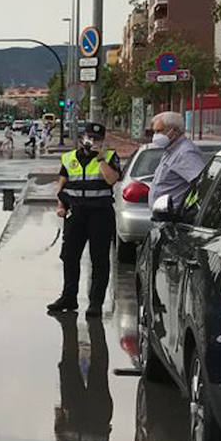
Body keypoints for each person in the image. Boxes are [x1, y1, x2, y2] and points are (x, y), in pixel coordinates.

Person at [49, 123, 122, 316]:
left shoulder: (109, 156)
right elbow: (62, 185)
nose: (92, 141)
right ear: (82, 138)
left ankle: (95, 302)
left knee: (99, 259)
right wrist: (61, 206)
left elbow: (111, 180)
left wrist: (100, 159)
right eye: (89, 137)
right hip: (75, 214)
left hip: (100, 214)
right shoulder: (69, 157)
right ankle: (69, 297)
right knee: (69, 256)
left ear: (103, 140)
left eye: (97, 139)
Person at [147, 111, 208, 210]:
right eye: (154, 132)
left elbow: (202, 184)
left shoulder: (185, 153)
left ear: (175, 130)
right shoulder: (170, 150)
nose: (155, 136)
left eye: (159, 131)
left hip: (175, 218)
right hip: (163, 216)